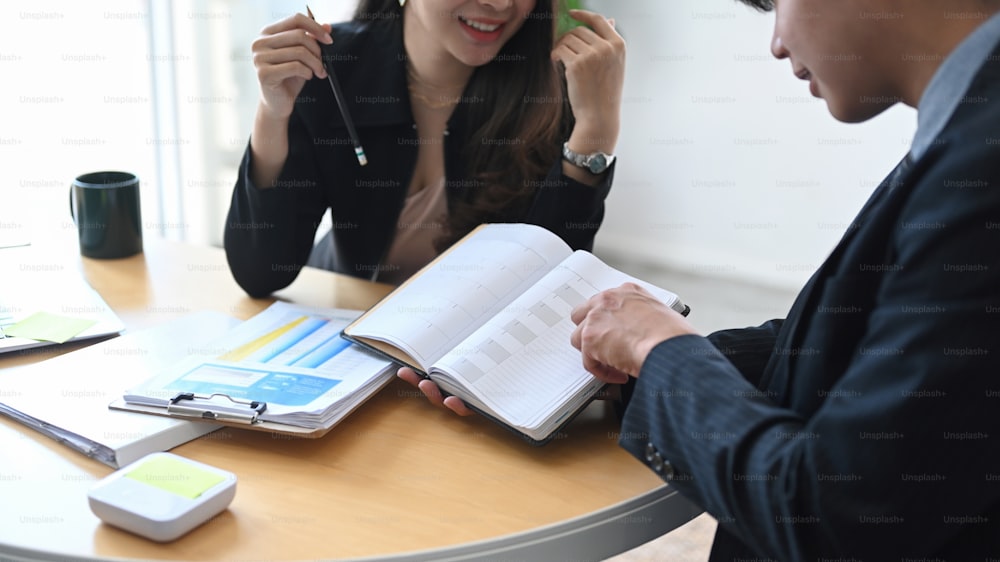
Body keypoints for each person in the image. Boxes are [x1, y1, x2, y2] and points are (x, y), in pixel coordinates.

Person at [565, 0, 1000, 560]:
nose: (777, 44)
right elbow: (865, 346)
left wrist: (659, 350)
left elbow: (831, 514)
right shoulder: (968, 127)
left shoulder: (979, 175)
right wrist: (639, 366)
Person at [224, 0, 625, 296]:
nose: (500, 4)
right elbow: (261, 274)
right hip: (344, 331)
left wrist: (597, 129)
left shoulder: (552, 89)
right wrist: (272, 115)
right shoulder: (328, 69)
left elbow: (549, 294)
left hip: (457, 364)